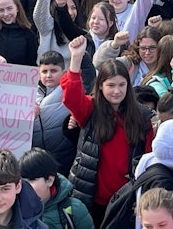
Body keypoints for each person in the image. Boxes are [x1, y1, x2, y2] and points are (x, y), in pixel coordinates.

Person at [60, 35, 154, 227]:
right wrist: (76, 59)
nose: (117, 91)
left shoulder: (143, 117)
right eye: (111, 85)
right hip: (90, 196)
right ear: (101, 87)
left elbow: (149, 157)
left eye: (122, 85)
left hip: (125, 199)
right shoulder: (90, 110)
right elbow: (71, 97)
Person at [19, 148, 94, 229]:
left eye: (32, 179)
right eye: (22, 181)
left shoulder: (75, 210)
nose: (25, 186)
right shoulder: (14, 210)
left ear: (49, 180)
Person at [93, 26, 162, 86]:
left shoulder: (167, 66)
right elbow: (100, 64)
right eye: (143, 48)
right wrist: (114, 44)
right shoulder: (129, 63)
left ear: (160, 47)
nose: (147, 52)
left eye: (152, 48)